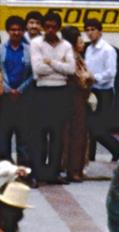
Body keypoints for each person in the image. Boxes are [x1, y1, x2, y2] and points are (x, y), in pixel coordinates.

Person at [29, 12, 75, 185]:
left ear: (58, 28)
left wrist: (51, 63)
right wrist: (59, 66)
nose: (50, 30)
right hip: (42, 91)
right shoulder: (36, 43)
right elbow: (37, 69)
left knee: (57, 134)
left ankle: (53, 173)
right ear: (43, 27)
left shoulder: (66, 45)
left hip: (60, 92)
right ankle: (37, 172)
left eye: (53, 27)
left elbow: (71, 69)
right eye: (47, 26)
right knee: (39, 133)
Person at [84, 18, 119, 162]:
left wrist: (95, 78)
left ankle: (116, 147)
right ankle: (91, 155)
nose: (90, 33)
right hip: (91, 91)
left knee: (97, 127)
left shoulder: (108, 50)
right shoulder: (88, 49)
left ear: (100, 31)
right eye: (87, 30)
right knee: (89, 125)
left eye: (93, 30)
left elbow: (111, 72)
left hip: (104, 91)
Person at [0, 16, 32, 165]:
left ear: (23, 31)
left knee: (23, 133)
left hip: (23, 98)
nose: (16, 33)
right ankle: (6, 167)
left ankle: (24, 168)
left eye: (19, 30)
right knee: (4, 133)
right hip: (5, 98)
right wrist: (8, 90)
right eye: (12, 29)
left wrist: (20, 90)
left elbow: (33, 74)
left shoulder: (29, 50)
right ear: (7, 31)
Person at [61, 26, 94, 183]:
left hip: (77, 99)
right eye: (80, 41)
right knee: (76, 134)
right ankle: (73, 169)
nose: (83, 44)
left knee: (77, 133)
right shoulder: (72, 59)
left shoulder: (78, 57)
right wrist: (90, 78)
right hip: (74, 99)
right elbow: (83, 80)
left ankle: (75, 167)